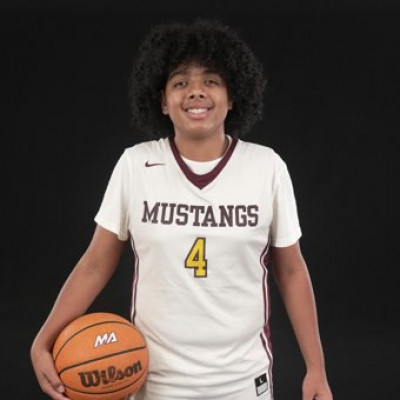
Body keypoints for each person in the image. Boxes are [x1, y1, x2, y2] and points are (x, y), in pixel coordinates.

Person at [31, 19, 333, 400]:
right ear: (162, 100)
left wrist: (316, 368)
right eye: (180, 83)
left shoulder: (267, 167)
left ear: (233, 96)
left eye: (211, 80)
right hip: (156, 384)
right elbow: (94, 265)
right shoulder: (135, 165)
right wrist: (42, 341)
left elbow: (291, 271)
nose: (196, 91)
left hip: (242, 382)